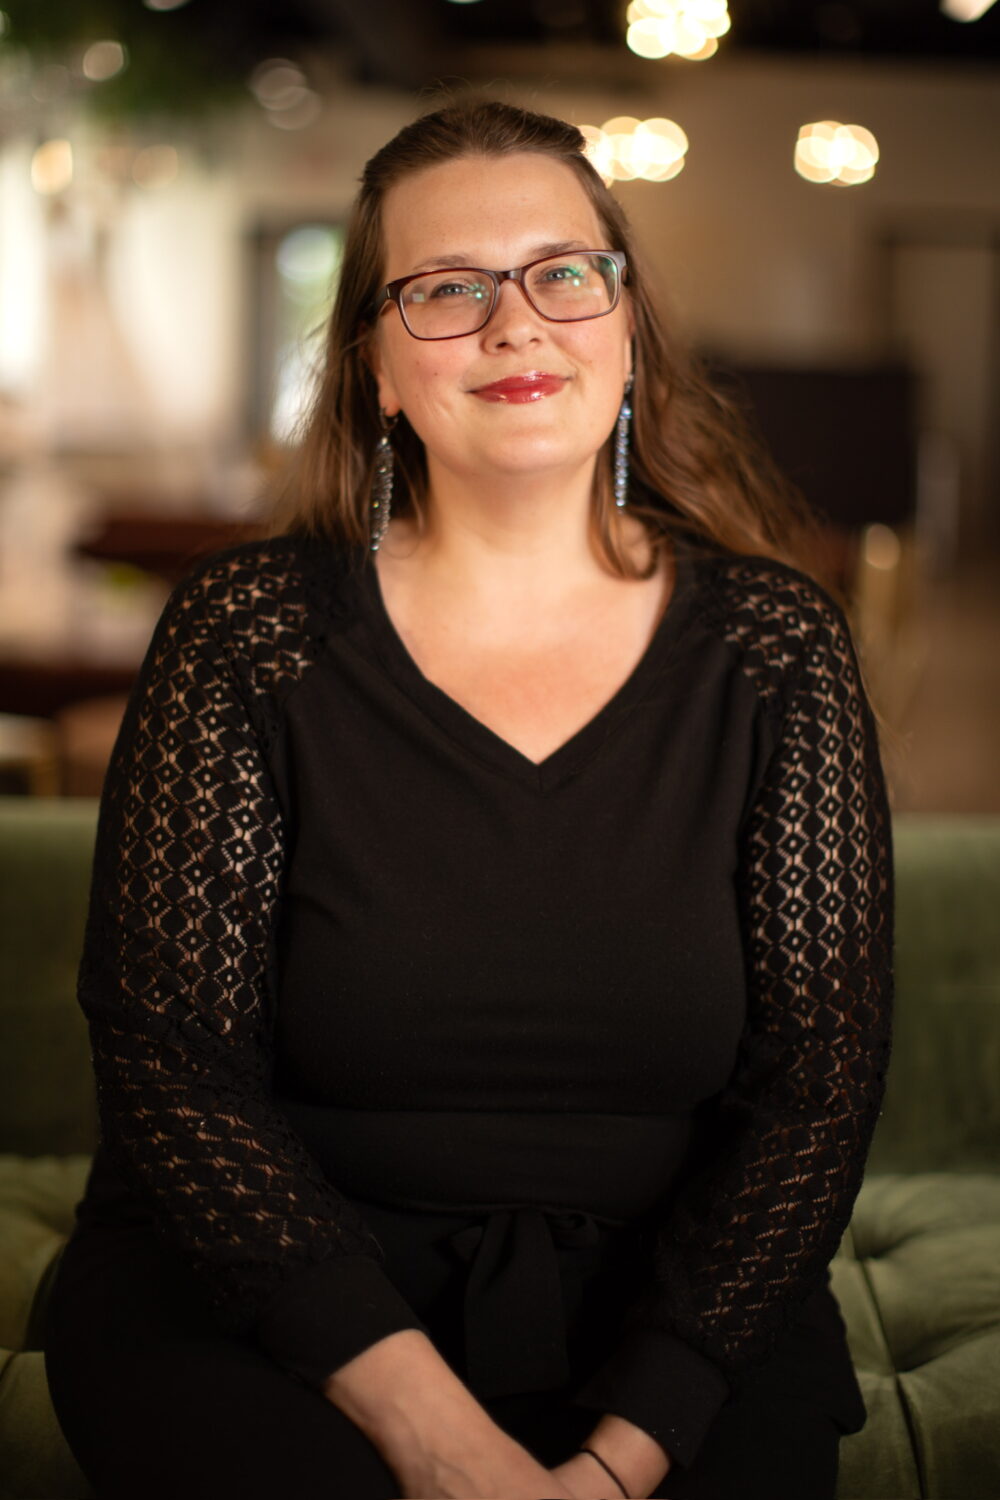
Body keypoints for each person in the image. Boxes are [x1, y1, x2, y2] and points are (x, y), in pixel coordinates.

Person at [44, 99, 893, 1500]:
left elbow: (816, 1094)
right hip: (276, 1304)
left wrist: (621, 1461)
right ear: (375, 365)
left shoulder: (775, 647)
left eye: (565, 272)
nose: (518, 326)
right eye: (446, 290)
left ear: (626, 324)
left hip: (673, 1321)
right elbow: (167, 1069)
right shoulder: (246, 634)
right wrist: (437, 1444)